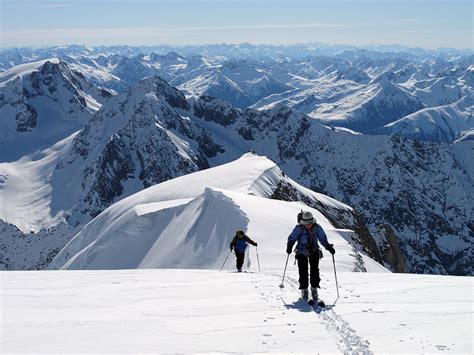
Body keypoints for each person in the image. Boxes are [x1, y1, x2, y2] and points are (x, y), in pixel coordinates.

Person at [286, 211, 335, 301]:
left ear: (313, 222)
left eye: (310, 223)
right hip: (301, 251)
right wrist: (289, 246)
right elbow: (292, 237)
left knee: (314, 270)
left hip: (314, 250)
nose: (308, 225)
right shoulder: (299, 228)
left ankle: (314, 288)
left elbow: (323, 239)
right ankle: (304, 289)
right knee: (303, 271)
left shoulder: (317, 227)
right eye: (306, 223)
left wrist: (328, 247)